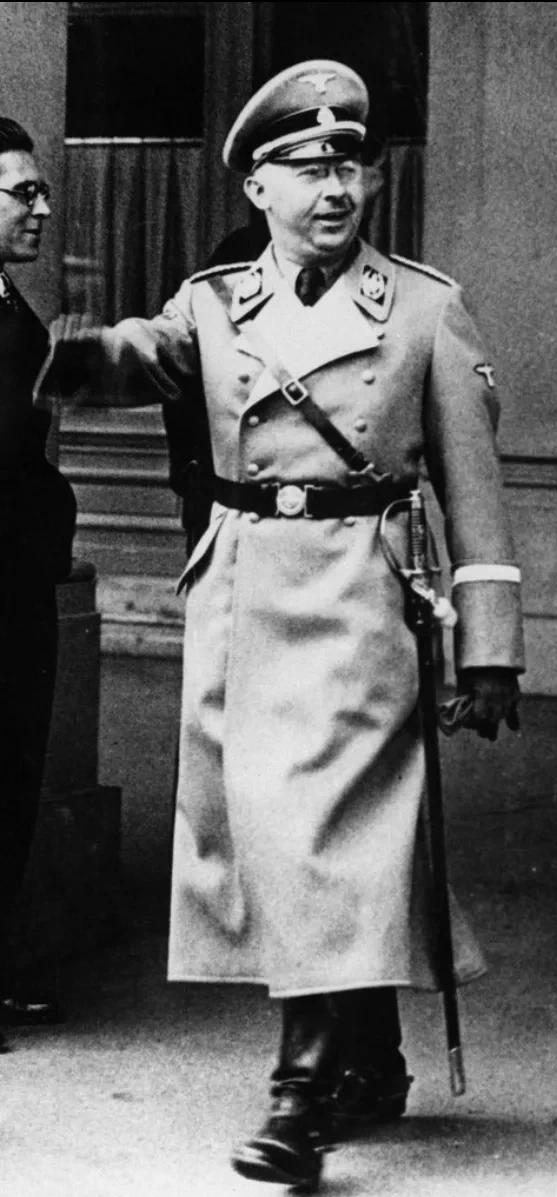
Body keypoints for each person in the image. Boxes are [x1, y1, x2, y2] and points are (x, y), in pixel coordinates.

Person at [45, 61, 524, 1186]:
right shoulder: (214, 303)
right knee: (283, 839)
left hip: (361, 598)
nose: (334, 189)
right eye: (306, 169)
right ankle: (372, 1054)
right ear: (258, 187)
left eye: (350, 167)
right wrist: (64, 352)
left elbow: (474, 488)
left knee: (319, 833)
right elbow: (143, 354)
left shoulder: (424, 309)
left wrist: (491, 648)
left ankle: (298, 1095)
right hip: (241, 592)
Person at [0, 118, 77, 1052]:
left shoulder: (10, 299)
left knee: (14, 769)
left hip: (17, 583)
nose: (43, 208)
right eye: (23, 192)